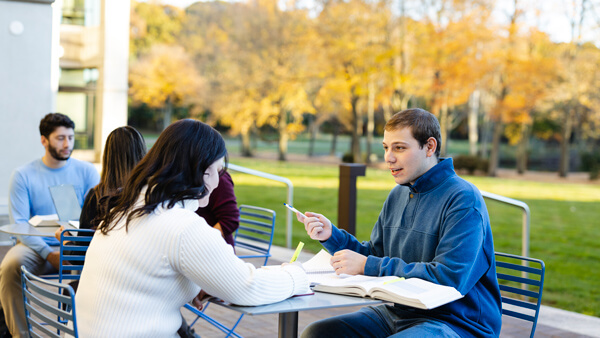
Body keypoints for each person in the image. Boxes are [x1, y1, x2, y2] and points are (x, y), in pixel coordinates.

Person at [75, 119, 309, 337]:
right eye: (218, 171)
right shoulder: (181, 226)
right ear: (201, 170)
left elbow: (144, 277)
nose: (218, 182)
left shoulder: (126, 210)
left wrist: (199, 282)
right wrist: (298, 274)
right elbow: (248, 289)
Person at [298, 108, 502, 337]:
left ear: (430, 147)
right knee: (317, 333)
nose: (388, 157)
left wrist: (369, 265)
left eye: (399, 148)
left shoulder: (463, 199)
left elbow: (450, 278)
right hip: (401, 313)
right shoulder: (398, 194)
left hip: (457, 323)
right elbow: (375, 254)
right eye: (386, 147)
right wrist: (331, 236)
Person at [0, 113, 99, 337]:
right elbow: (20, 225)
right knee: (10, 266)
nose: (67, 144)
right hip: (36, 248)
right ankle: (21, 334)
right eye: (60, 138)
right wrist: (48, 253)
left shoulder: (87, 172)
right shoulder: (23, 175)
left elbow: (96, 219)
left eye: (71, 138)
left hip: (77, 248)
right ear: (44, 140)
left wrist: (71, 248)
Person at [195, 171, 239, 248]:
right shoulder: (183, 174)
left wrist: (200, 245)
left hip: (211, 251)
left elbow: (230, 220)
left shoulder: (220, 178)